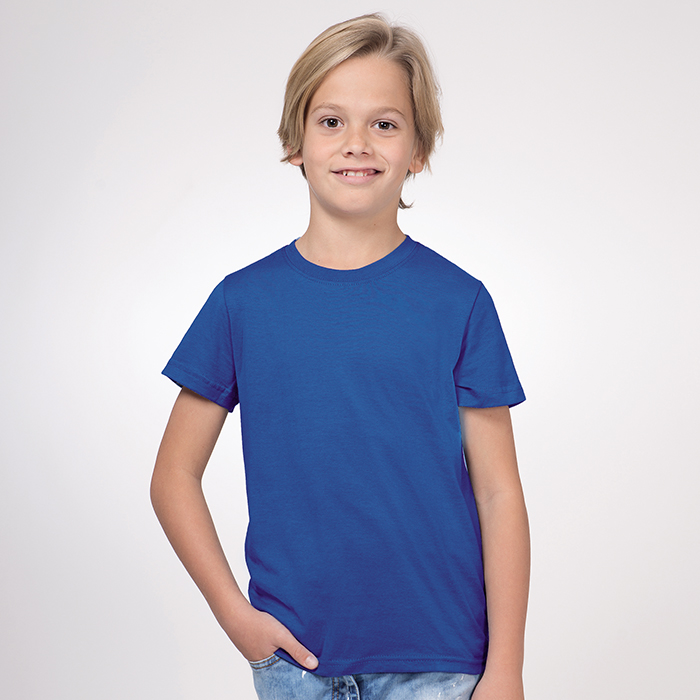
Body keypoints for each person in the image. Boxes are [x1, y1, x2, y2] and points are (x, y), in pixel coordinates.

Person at [151, 13, 530, 700]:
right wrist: (236, 617)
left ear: (419, 149)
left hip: (439, 664)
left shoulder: (459, 301)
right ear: (295, 142)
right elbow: (174, 475)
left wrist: (506, 668)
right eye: (331, 122)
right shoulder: (243, 302)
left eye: (384, 123)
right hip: (294, 663)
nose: (357, 143)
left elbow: (499, 493)